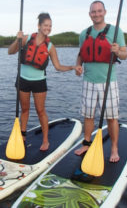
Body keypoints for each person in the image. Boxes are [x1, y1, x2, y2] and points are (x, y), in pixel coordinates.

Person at [8, 13, 79, 151]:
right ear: (39, 26)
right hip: (23, 80)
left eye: (50, 26)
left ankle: (45, 140)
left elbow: (58, 67)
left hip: (39, 82)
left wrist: (72, 67)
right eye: (46, 25)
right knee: (25, 110)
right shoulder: (26, 38)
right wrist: (18, 40)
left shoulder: (50, 46)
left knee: (41, 111)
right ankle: (22, 137)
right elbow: (10, 52)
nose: (48, 28)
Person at [74, 0, 127, 162]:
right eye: (93, 11)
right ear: (90, 14)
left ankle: (114, 148)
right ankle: (86, 143)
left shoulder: (115, 31)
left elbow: (125, 55)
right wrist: (78, 66)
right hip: (89, 80)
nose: (96, 14)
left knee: (111, 117)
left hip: (108, 81)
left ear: (104, 12)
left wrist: (118, 51)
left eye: (99, 11)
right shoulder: (85, 33)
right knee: (88, 115)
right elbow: (81, 54)